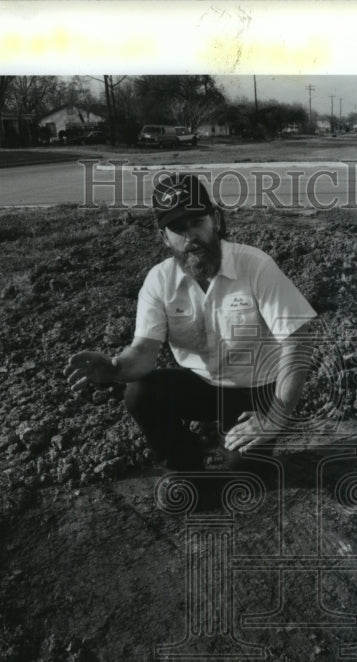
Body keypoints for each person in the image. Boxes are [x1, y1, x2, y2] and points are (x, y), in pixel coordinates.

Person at [65, 172, 318, 474]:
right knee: (140, 391)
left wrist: (276, 416)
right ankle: (185, 469)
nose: (190, 237)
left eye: (197, 222)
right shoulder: (159, 280)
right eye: (178, 229)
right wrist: (114, 368)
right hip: (202, 385)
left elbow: (297, 341)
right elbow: (144, 351)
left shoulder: (255, 266)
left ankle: (238, 449)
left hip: (257, 389)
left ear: (216, 220)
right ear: (164, 237)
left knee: (246, 478)